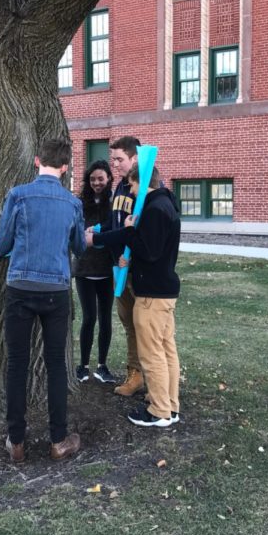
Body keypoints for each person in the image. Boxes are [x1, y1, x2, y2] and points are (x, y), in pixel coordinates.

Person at [0, 138, 85, 463]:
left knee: (17, 364)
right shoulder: (73, 203)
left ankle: (16, 441)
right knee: (56, 365)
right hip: (56, 291)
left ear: (36, 161)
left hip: (20, 287)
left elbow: (2, 245)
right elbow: (80, 247)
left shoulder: (18, 195)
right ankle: (58, 440)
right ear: (65, 167)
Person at [87, 164, 182, 428]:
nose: (131, 189)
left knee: (152, 354)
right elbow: (154, 250)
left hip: (151, 294)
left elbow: (148, 250)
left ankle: (159, 410)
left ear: (142, 182)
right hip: (163, 290)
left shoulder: (154, 209)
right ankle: (170, 405)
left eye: (132, 184)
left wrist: (129, 231)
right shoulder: (165, 204)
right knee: (166, 350)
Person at [101, 136, 145, 396]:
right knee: (128, 323)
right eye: (113, 159)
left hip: (137, 271)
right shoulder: (119, 187)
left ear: (135, 158)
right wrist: (96, 231)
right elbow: (114, 223)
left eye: (120, 159)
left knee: (145, 325)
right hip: (118, 269)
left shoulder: (144, 189)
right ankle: (135, 373)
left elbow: (146, 234)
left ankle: (150, 375)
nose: (115, 165)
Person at [72, 160, 117, 384]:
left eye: (101, 178)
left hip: (107, 269)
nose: (97, 183)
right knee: (89, 318)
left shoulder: (114, 203)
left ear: (109, 178)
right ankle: (83, 366)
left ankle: (102, 366)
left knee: (105, 318)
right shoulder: (79, 203)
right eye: (92, 179)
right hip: (84, 269)